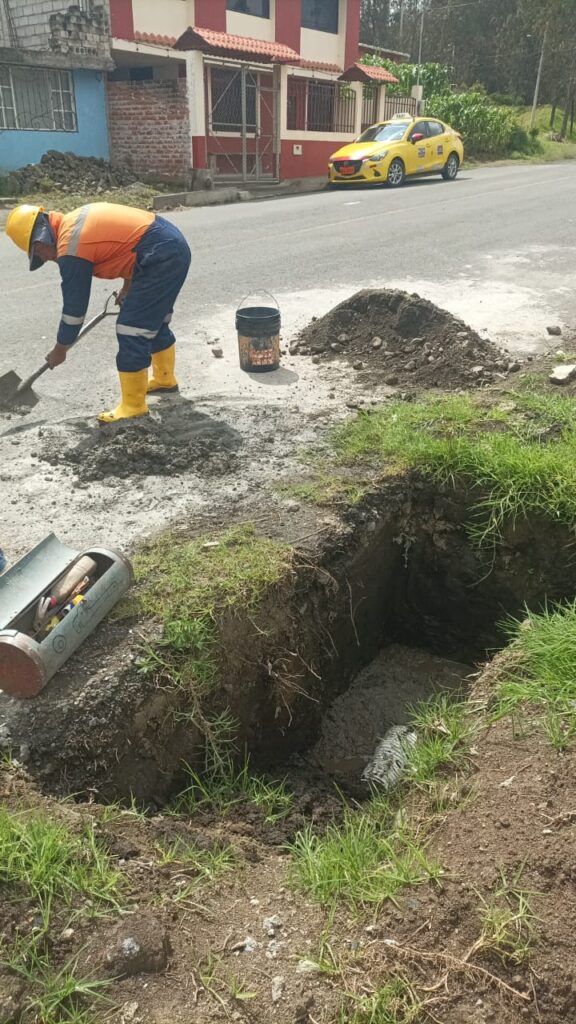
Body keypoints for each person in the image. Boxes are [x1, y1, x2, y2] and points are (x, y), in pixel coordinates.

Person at [5, 202, 191, 423]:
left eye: (38, 253)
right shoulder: (72, 224)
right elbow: (130, 245)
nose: (44, 259)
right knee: (153, 322)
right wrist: (127, 286)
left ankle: (133, 407)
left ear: (41, 239)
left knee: (132, 329)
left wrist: (60, 349)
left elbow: (74, 311)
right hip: (167, 246)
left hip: (160, 255)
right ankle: (164, 380)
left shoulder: (70, 247)